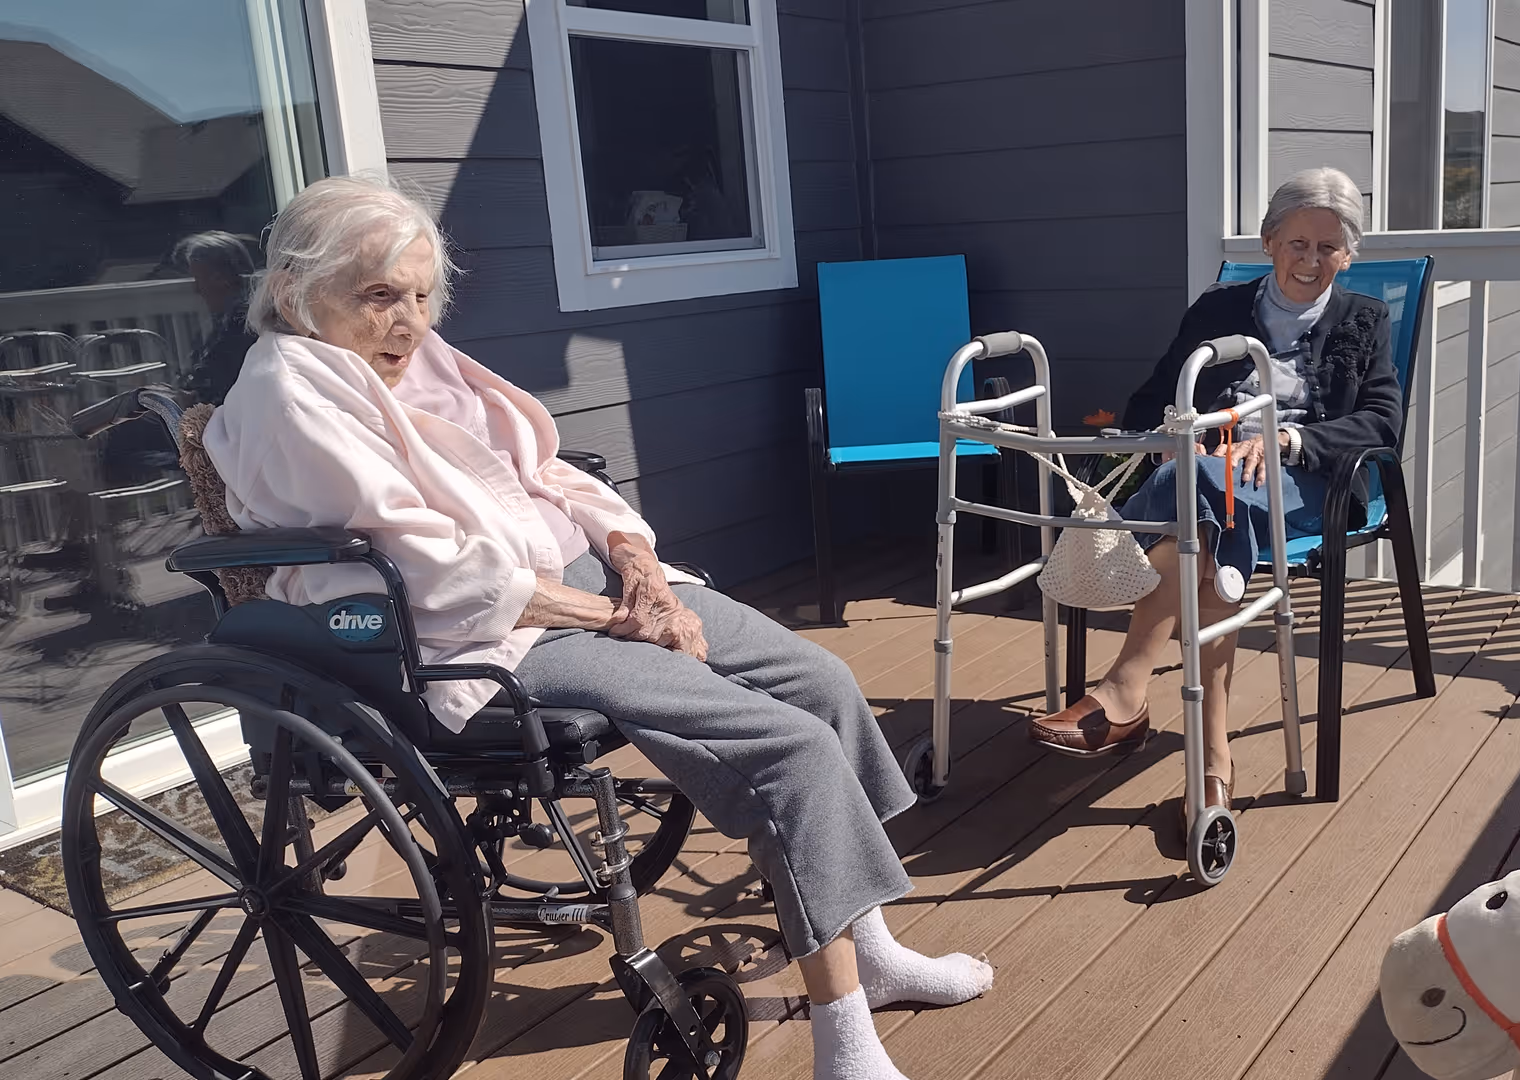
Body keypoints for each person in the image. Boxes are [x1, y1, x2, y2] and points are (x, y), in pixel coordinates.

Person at [201, 175, 991, 1080]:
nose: (409, 320)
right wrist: (623, 619)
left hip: (575, 583)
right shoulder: (291, 393)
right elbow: (438, 572)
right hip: (478, 632)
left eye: (421, 295)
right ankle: (844, 1041)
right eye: (380, 296)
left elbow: (553, 473)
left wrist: (641, 569)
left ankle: (874, 953)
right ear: (299, 291)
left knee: (823, 682)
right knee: (788, 745)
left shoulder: (407, 359)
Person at [1027, 167, 1401, 817]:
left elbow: (1381, 420)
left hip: (1310, 482)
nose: (1312, 260)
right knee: (1202, 510)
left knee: (1196, 501)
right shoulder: (1218, 310)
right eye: (1297, 244)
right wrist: (1179, 433)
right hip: (1205, 486)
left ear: (1348, 253)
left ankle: (1125, 690)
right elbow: (1151, 397)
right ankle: (1213, 761)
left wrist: (1287, 441)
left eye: (1328, 247)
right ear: (1268, 242)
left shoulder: (1364, 320)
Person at [172, 231, 259, 406]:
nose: (197, 289)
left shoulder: (243, 325)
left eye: (200, 279)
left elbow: (220, 382)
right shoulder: (224, 320)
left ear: (221, 278)